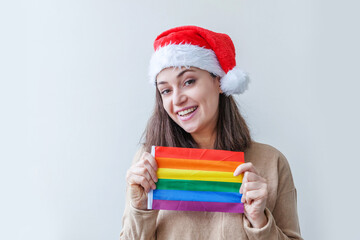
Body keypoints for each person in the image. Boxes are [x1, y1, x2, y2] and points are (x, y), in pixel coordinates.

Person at [120, 26, 302, 240]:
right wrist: (140, 208)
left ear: (219, 81)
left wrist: (259, 221)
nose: (177, 99)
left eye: (188, 81)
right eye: (166, 90)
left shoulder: (272, 162)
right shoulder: (148, 164)